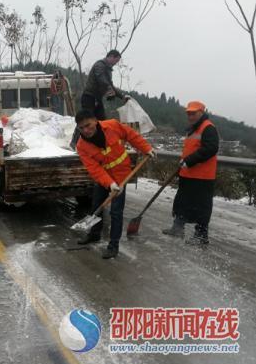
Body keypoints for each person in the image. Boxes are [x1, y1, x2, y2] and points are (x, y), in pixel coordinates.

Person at [75, 110, 155, 259]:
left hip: (121, 174)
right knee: (96, 206)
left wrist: (146, 148)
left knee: (116, 212)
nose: (86, 130)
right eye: (81, 128)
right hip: (104, 178)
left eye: (88, 125)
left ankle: (113, 245)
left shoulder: (112, 126)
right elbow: (94, 168)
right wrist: (109, 183)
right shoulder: (81, 146)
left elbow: (131, 135)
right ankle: (94, 234)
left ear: (95, 120)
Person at [162, 101, 219, 246]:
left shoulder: (208, 128)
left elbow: (211, 148)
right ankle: (177, 228)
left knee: (201, 207)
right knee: (182, 202)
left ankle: (201, 236)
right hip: (188, 174)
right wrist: (185, 162)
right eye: (189, 113)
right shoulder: (192, 129)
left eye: (193, 113)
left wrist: (189, 160)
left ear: (201, 112)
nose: (190, 116)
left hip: (202, 177)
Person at [71, 50, 128, 148]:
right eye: (116, 60)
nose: (116, 63)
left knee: (102, 121)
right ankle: (74, 143)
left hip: (97, 99)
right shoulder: (100, 65)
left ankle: (100, 144)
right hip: (89, 97)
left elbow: (110, 84)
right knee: (85, 120)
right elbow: (101, 78)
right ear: (110, 57)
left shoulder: (108, 70)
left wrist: (122, 96)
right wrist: (109, 88)